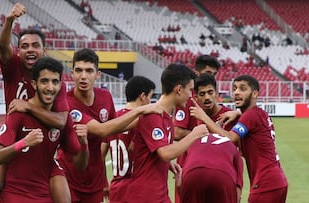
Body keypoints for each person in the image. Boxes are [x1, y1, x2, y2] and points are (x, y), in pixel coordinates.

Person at [0, 3, 70, 203]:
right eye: (24, 46)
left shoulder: (54, 80)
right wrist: (10, 20)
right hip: (13, 136)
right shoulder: (13, 67)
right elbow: (3, 46)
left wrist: (28, 105)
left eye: (35, 46)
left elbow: (61, 121)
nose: (30, 50)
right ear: (18, 51)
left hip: (42, 146)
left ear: (44, 50)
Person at [52, 48, 162, 203]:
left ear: (98, 74)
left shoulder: (105, 96)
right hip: (69, 178)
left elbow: (112, 131)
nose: (83, 76)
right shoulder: (67, 103)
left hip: (94, 180)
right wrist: (142, 110)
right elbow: (103, 130)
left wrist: (147, 121)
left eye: (89, 71)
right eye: (79, 70)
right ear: (72, 73)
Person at [0, 56, 89, 202]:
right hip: (15, 194)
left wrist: (84, 144)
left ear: (60, 85)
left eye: (55, 82)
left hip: (43, 195)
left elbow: (80, 164)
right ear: (34, 84)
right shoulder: (18, 111)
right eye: (44, 81)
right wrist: (24, 142)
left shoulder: (62, 118)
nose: (50, 87)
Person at [190, 75, 288, 203]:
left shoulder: (250, 116)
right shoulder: (259, 114)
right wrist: (237, 112)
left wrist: (204, 118)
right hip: (277, 180)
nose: (236, 92)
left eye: (242, 89)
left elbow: (230, 138)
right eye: (235, 88)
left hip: (265, 183)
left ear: (254, 94)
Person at [124, 63, 208, 202]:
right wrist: (194, 134)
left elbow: (134, 147)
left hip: (158, 193)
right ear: (179, 89)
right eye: (190, 90)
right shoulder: (154, 115)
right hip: (146, 196)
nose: (191, 96)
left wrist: (166, 164)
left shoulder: (166, 115)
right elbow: (165, 153)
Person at [178, 73, 243, 203]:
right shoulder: (191, 111)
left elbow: (239, 149)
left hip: (224, 173)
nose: (207, 97)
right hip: (193, 171)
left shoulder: (229, 116)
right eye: (202, 94)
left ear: (216, 93)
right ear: (196, 97)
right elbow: (177, 133)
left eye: (210, 92)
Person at [101, 75, 156, 202]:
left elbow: (101, 154)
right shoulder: (143, 121)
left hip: (116, 187)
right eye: (150, 97)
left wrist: (104, 182)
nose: (150, 102)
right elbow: (134, 148)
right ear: (142, 96)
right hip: (137, 186)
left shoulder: (113, 120)